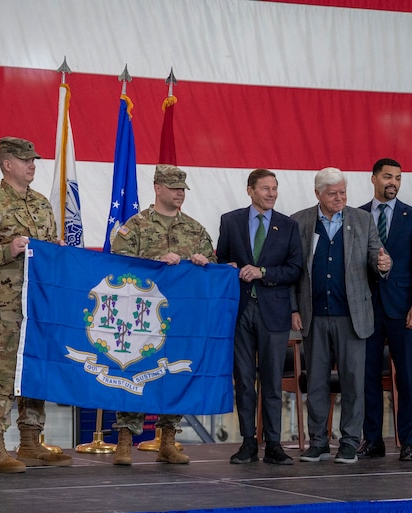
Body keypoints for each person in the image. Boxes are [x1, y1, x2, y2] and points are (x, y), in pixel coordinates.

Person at [0, 137, 72, 473]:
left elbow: (49, 246)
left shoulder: (40, 203)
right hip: (7, 303)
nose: (32, 165)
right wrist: (5, 251)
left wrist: (56, 249)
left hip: (38, 303)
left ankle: (30, 440)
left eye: (34, 159)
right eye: (25, 160)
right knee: (3, 373)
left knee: (36, 367)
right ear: (7, 164)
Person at [110, 164, 216, 466]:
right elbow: (118, 264)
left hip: (180, 316)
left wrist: (203, 261)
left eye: (182, 188)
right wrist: (155, 261)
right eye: (173, 187)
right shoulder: (136, 226)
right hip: (142, 317)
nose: (179, 193)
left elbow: (214, 265)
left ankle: (168, 439)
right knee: (134, 374)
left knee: (174, 373)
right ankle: (126, 441)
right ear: (158, 188)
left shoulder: (195, 229)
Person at [290, 167, 391, 464]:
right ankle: (318, 442)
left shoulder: (363, 219)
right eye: (332, 193)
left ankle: (349, 442)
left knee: (353, 382)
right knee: (317, 382)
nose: (339, 198)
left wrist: (384, 264)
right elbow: (296, 272)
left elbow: (377, 256)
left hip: (352, 316)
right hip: (314, 316)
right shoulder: (300, 222)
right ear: (317, 194)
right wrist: (294, 309)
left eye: (343, 192)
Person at [217, 169, 302, 466]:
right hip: (240, 310)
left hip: (274, 312)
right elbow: (221, 262)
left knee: (271, 381)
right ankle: (248, 442)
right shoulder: (230, 221)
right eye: (265, 188)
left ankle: (275, 444)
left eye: (274, 188)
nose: (271, 193)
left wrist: (263, 272)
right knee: (243, 380)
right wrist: (228, 266)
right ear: (250, 190)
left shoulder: (288, 226)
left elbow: (295, 269)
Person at [358, 159, 412, 461]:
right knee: (368, 378)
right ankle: (373, 441)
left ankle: (408, 442)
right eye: (388, 177)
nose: (393, 183)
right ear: (373, 178)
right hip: (366, 310)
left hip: (403, 311)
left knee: (407, 379)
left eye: (398, 178)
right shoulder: (357, 216)